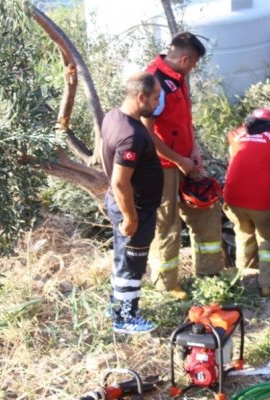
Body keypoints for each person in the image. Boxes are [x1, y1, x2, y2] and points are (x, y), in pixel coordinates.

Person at [142, 32, 225, 299]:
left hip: (186, 160)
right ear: (186, 59)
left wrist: (194, 150)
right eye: (194, 63)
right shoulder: (154, 81)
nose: (194, 69)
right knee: (167, 224)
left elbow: (183, 121)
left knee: (207, 208)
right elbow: (147, 134)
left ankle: (210, 274)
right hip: (162, 165)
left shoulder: (178, 79)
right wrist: (180, 161)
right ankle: (166, 284)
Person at [102, 72, 163, 334]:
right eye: (155, 98)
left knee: (123, 257)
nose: (157, 104)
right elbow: (120, 182)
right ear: (141, 97)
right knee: (133, 262)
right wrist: (130, 217)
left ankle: (115, 306)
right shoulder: (131, 135)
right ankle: (126, 318)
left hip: (127, 205)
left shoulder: (113, 116)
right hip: (134, 208)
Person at [222, 108, 270, 297]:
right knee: (269, 239)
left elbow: (237, 161)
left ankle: (245, 276)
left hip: (234, 197)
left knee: (243, 234)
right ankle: (269, 284)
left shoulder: (235, 134)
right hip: (263, 200)